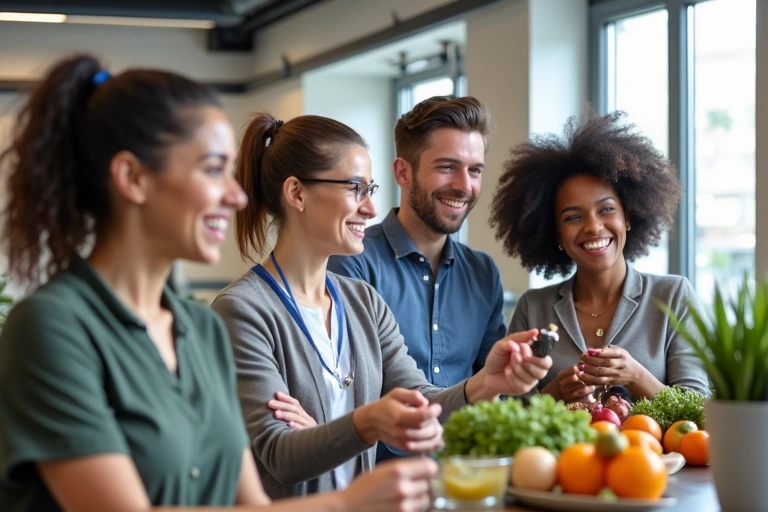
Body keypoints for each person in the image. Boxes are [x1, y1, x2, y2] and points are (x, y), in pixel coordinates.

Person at [0, 54, 439, 512]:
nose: (236, 196)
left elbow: (252, 507)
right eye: (212, 170)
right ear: (133, 178)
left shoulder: (199, 331)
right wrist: (346, 501)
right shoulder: (51, 329)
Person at [210, 112, 552, 499]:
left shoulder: (363, 303)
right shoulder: (242, 311)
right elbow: (280, 455)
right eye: (355, 188)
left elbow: (418, 398)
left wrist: (485, 384)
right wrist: (367, 420)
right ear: (297, 193)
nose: (370, 208)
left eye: (369, 189)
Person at [327, 95, 506, 462]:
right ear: (403, 173)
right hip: (377, 487)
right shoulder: (353, 264)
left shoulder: (484, 274)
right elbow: (344, 395)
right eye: (447, 167)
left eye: (474, 170)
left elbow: (497, 392)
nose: (463, 185)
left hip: (463, 480)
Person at [489, 109, 710, 404]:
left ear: (628, 217)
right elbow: (506, 410)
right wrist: (554, 394)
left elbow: (700, 410)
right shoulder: (534, 308)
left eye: (606, 210)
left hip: (648, 451)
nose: (593, 226)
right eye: (572, 217)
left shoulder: (672, 296)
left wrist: (636, 376)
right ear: (554, 233)